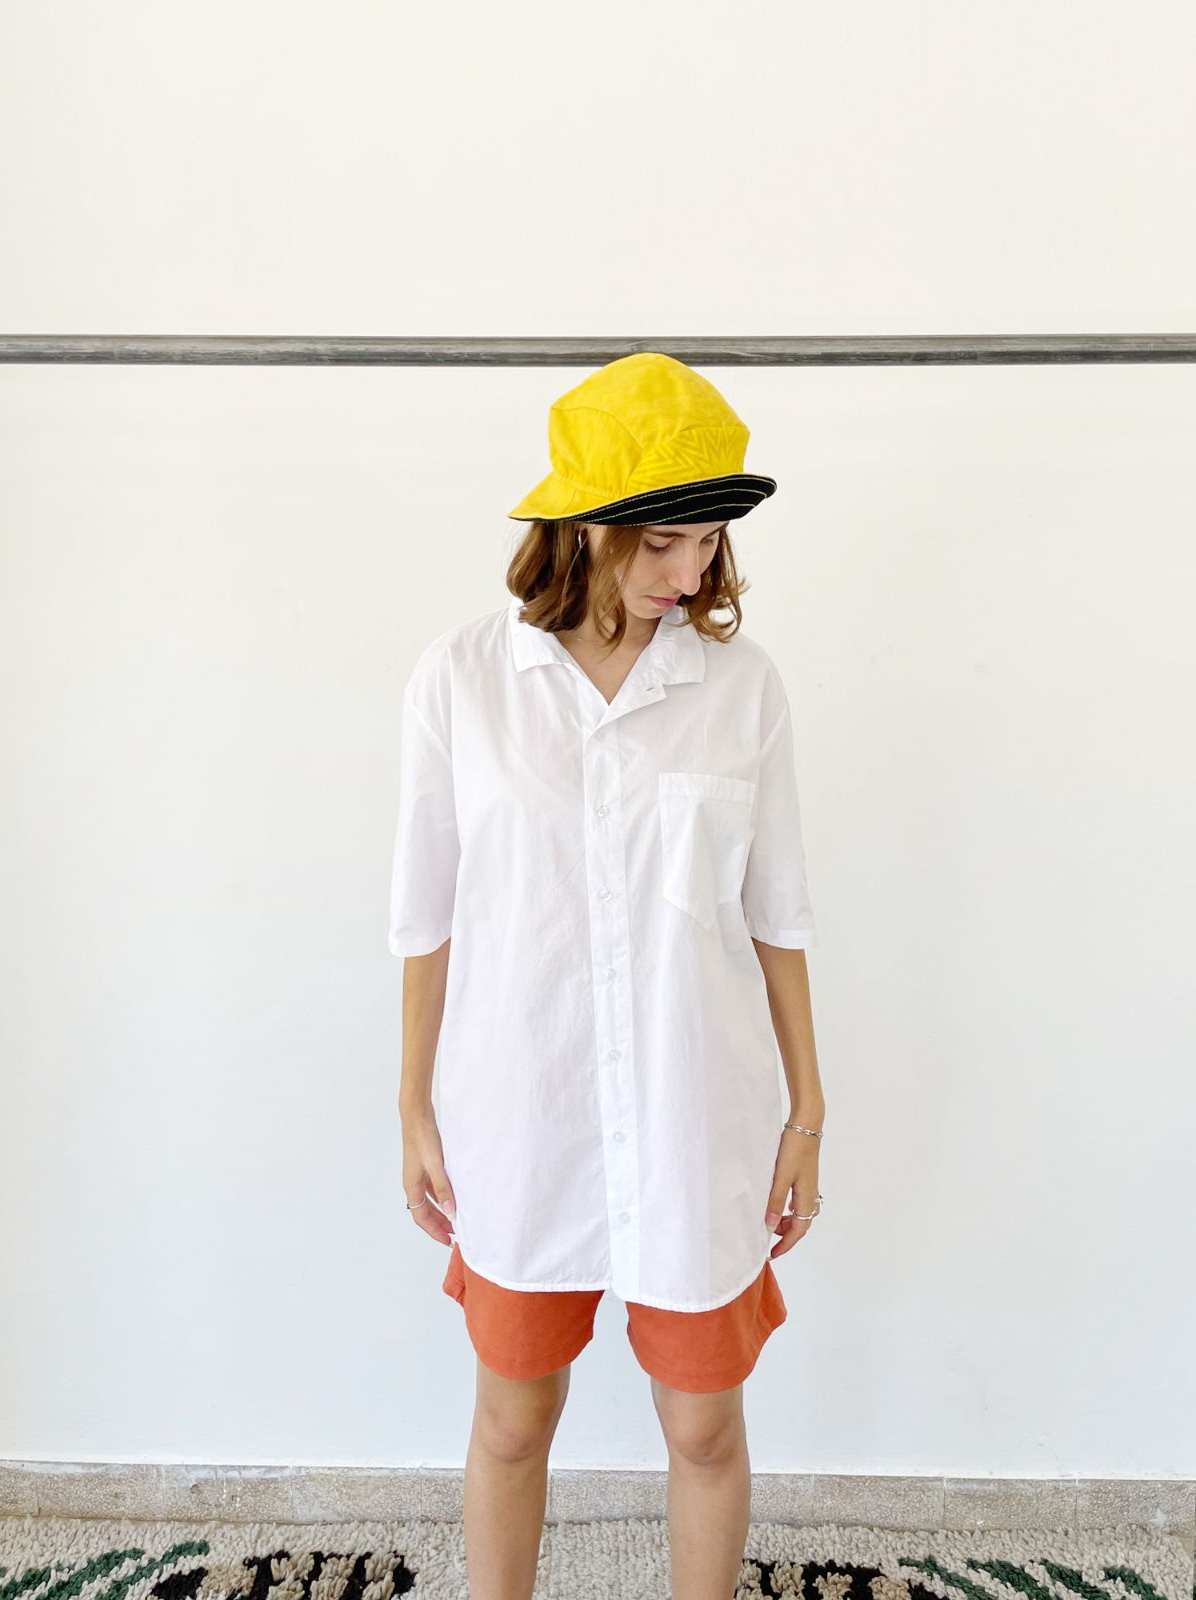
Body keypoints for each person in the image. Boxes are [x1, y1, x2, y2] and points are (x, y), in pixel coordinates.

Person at [389, 351, 826, 1600]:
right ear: (584, 525)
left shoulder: (742, 690)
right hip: (522, 1115)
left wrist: (807, 1111)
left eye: (709, 542)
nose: (690, 573)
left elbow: (778, 915)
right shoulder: (463, 682)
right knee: (512, 1420)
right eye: (665, 541)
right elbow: (424, 916)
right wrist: (412, 1105)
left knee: (705, 1427)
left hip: (698, 1117)